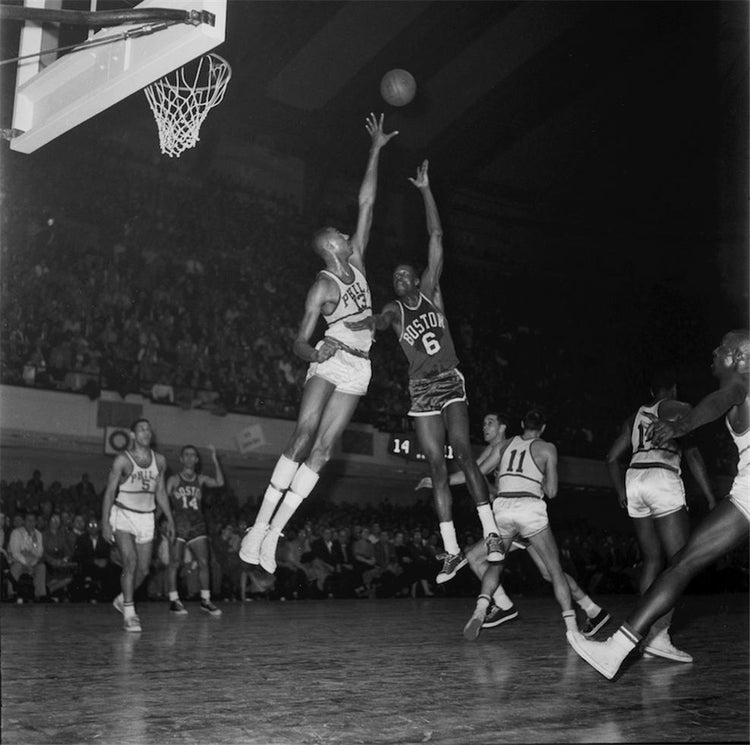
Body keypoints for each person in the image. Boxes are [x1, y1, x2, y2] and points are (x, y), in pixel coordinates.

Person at [239, 113, 397, 573]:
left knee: (326, 451)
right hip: (328, 361)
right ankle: (257, 526)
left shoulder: (360, 262)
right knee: (304, 436)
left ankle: (273, 534)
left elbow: (367, 203)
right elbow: (297, 341)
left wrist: (375, 150)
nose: (349, 236)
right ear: (331, 247)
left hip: (360, 366)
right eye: (341, 236)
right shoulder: (322, 287)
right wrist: (315, 353)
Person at [346, 160, 503, 585]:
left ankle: (491, 533)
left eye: (404, 274)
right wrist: (365, 323)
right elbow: (380, 322)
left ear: (418, 279)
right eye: (394, 276)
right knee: (435, 465)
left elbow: (436, 236)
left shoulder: (432, 294)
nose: (398, 278)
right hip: (420, 389)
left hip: (449, 379)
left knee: (463, 452)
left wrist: (426, 190)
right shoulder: (395, 311)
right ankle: (451, 550)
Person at [568, 330, 750, 679]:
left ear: (738, 357)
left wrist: (681, 426)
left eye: (722, 347)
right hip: (741, 488)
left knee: (679, 561)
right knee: (681, 560)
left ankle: (621, 648)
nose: (714, 350)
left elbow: (715, 403)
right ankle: (619, 649)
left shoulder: (740, 384)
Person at [448, 412, 609, 634]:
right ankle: (589, 612)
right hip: (528, 514)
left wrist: (441, 481)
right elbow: (551, 491)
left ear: (508, 426)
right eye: (484, 423)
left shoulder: (504, 445)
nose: (484, 427)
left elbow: (474, 472)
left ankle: (493, 607)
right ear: (543, 428)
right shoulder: (536, 447)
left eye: (489, 423)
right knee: (551, 572)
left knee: (483, 559)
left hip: (506, 514)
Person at [604, 370, 716, 662]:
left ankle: (643, 636)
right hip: (661, 476)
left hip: (634, 479)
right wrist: (710, 496)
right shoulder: (673, 406)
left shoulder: (634, 417)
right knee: (680, 562)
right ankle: (660, 637)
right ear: (673, 389)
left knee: (653, 560)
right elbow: (692, 452)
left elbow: (611, 458)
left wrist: (620, 492)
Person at [101, 418, 175, 632]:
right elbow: (109, 492)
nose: (146, 432)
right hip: (123, 514)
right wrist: (105, 522)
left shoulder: (159, 460)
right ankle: (130, 613)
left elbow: (160, 492)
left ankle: (122, 598)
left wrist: (169, 519)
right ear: (132, 434)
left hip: (146, 517)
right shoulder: (122, 460)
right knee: (130, 562)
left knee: (143, 570)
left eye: (149, 429)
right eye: (142, 429)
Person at [166, 444, 224, 616]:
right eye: (187, 455)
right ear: (181, 459)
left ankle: (206, 600)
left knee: (204, 562)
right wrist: (164, 522)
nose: (190, 458)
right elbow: (164, 501)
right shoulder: (174, 480)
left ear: (197, 460)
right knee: (175, 562)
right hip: (179, 524)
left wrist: (215, 460)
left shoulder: (201, 479)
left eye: (193, 455)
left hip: (198, 524)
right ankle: (173, 600)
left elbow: (220, 482)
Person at [7, 512, 46, 602]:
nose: (31, 523)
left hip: (33, 561)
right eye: (28, 520)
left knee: (41, 567)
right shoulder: (16, 532)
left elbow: (39, 553)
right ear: (24, 521)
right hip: (19, 560)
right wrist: (26, 562)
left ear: (36, 522)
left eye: (33, 521)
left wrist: (33, 544)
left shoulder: (38, 534)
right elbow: (16, 552)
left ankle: (39, 596)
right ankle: (11, 594)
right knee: (16, 567)